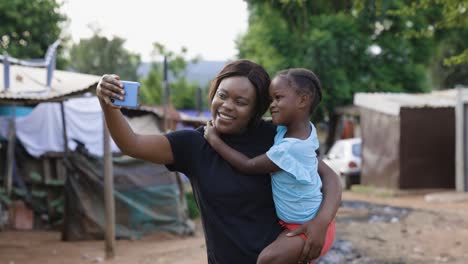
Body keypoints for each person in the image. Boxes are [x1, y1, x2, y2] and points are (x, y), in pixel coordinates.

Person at [96, 59, 341, 264]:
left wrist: (321, 222)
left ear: (256, 109)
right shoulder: (194, 145)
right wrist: (108, 105)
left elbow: (329, 177)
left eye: (241, 102)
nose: (227, 106)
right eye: (222, 95)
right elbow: (132, 144)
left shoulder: (275, 138)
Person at [203, 68, 334, 264]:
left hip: (308, 228)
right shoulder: (302, 130)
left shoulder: (290, 148)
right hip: (294, 225)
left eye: (278, 98)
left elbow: (247, 165)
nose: (272, 105)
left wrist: (214, 140)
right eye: (270, 99)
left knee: (266, 260)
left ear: (302, 100)